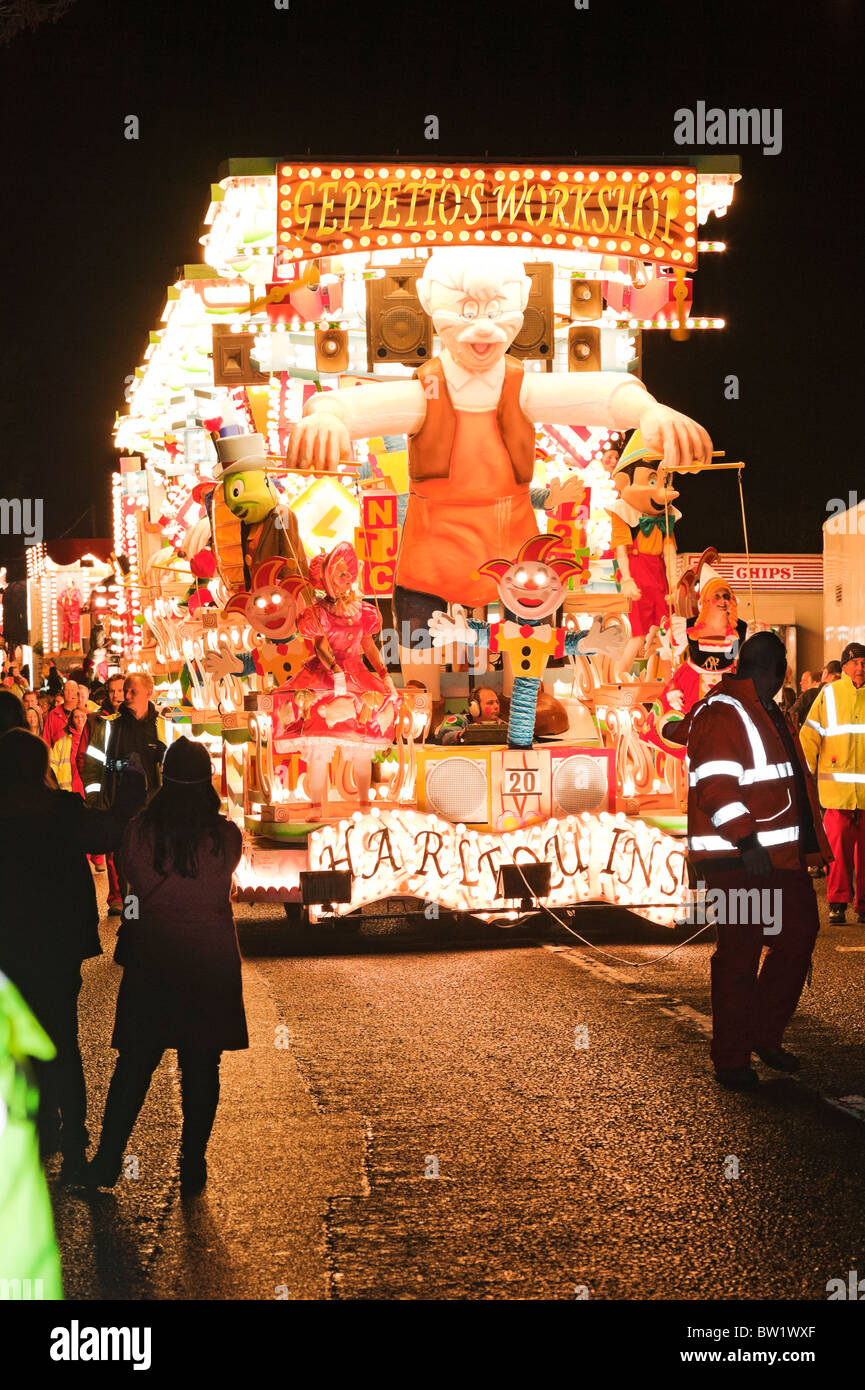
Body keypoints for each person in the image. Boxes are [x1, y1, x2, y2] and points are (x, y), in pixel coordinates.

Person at [88, 738, 247, 1196]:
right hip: (209, 961)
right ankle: (192, 1161)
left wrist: (136, 922)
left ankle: (107, 1160)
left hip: (155, 959)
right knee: (202, 1065)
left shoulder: (138, 833)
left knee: (135, 1064)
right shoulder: (226, 837)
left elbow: (134, 894)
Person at [672, 631, 831, 1090]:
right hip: (740, 861)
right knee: (740, 957)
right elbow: (717, 788)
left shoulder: (762, 708)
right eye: (780, 671)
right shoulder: (728, 713)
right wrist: (747, 842)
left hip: (771, 857)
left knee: (797, 937)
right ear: (770, 670)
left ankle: (761, 1035)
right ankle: (732, 1059)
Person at [0, 731, 145, 1182]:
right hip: (58, 940)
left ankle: (33, 1127)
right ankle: (74, 1138)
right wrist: (134, 783)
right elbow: (111, 831)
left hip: (9, 940)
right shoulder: (62, 811)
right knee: (63, 1036)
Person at [800, 641, 865, 924]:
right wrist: (803, 772)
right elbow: (810, 735)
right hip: (836, 794)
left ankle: (863, 906)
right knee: (837, 853)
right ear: (845, 666)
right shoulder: (830, 694)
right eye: (855, 663)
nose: (860, 668)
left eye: (864, 663)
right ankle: (838, 903)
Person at [42, 680, 78, 748]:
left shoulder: (82, 714)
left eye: (72, 690)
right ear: (63, 692)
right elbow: (46, 740)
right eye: (67, 690)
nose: (69, 692)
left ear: (77, 693)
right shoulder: (53, 714)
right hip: (56, 757)